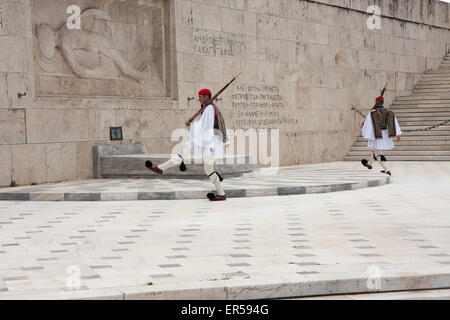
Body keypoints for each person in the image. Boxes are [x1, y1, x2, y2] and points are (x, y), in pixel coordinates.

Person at [146, 88, 230, 201]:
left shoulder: (210, 109)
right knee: (183, 152)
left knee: (208, 170)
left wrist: (191, 125)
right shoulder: (208, 108)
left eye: (200, 97)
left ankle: (221, 194)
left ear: (206, 97)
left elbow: (206, 126)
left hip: (209, 142)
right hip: (206, 140)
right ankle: (160, 168)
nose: (199, 99)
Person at [360, 96, 402, 176]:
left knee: (377, 152)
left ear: (376, 102)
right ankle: (369, 164)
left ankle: (386, 170)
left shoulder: (372, 113)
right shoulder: (389, 112)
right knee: (375, 149)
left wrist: (363, 128)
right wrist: (398, 135)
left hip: (376, 135)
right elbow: (395, 123)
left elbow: (368, 125)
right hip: (385, 136)